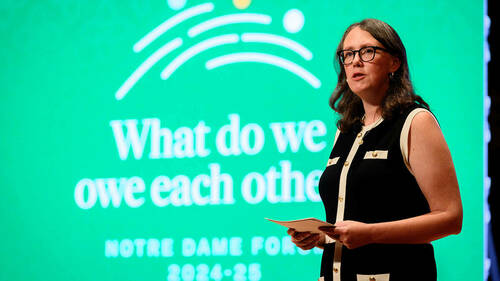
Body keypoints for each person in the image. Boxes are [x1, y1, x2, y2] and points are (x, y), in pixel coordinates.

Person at [287, 18, 463, 281]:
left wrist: (370, 234)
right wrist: (324, 236)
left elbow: (450, 218)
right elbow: (357, 220)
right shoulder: (345, 130)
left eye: (367, 51)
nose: (355, 61)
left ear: (394, 62)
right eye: (347, 55)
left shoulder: (415, 121)